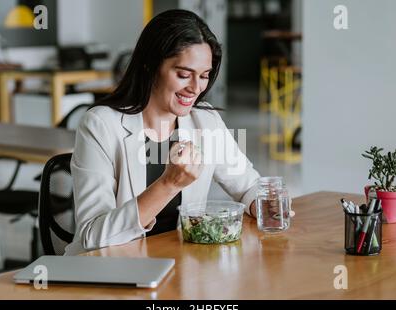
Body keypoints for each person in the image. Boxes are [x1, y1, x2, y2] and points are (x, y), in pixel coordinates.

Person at [64, 9, 261, 255]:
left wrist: (265, 205)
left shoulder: (205, 120)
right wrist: (169, 184)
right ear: (150, 65)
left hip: (179, 266)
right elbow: (93, 235)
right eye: (183, 75)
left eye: (204, 76)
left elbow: (248, 185)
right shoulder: (100, 125)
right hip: (112, 271)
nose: (196, 88)